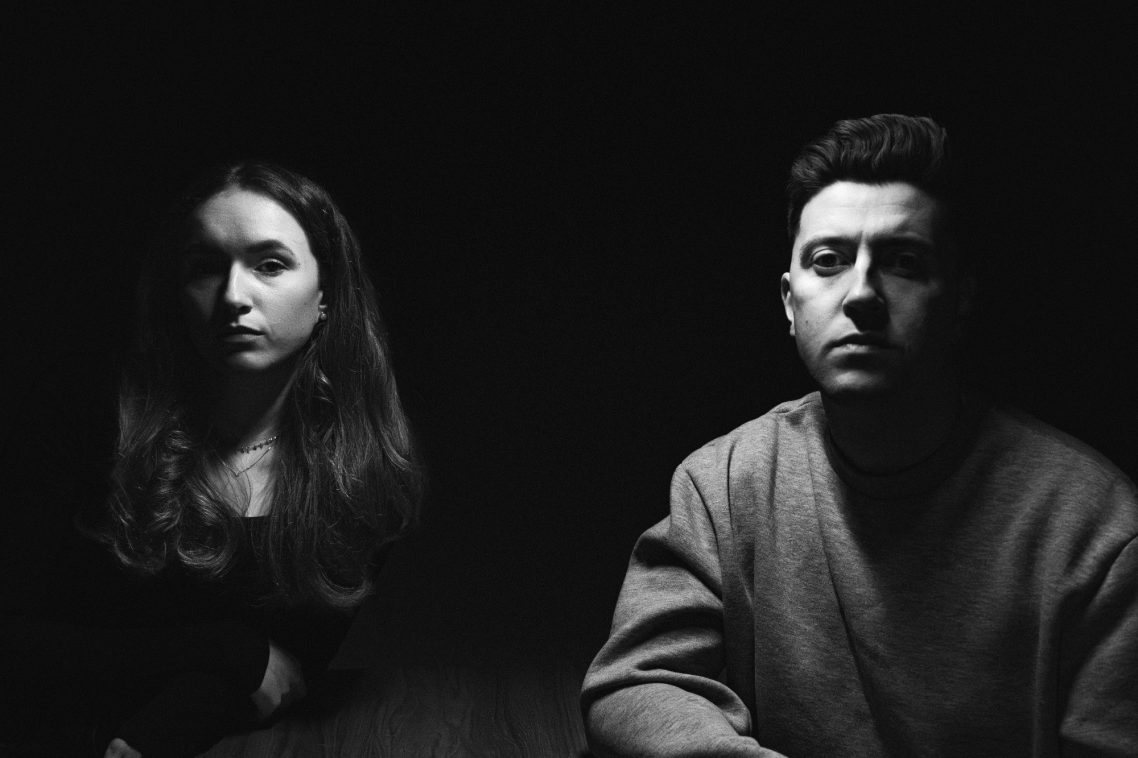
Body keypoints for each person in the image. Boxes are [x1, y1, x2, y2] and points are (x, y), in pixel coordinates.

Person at [580, 114, 1137, 757]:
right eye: (829, 261)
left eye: (902, 262)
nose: (862, 294)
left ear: (959, 299)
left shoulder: (1094, 527)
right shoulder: (724, 485)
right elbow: (635, 685)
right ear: (791, 302)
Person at [0, 162, 423, 757]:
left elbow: (280, 678)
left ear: (327, 294)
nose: (232, 297)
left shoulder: (359, 476)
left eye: (270, 265)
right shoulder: (82, 426)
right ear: (177, 293)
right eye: (205, 268)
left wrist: (145, 742)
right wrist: (227, 649)